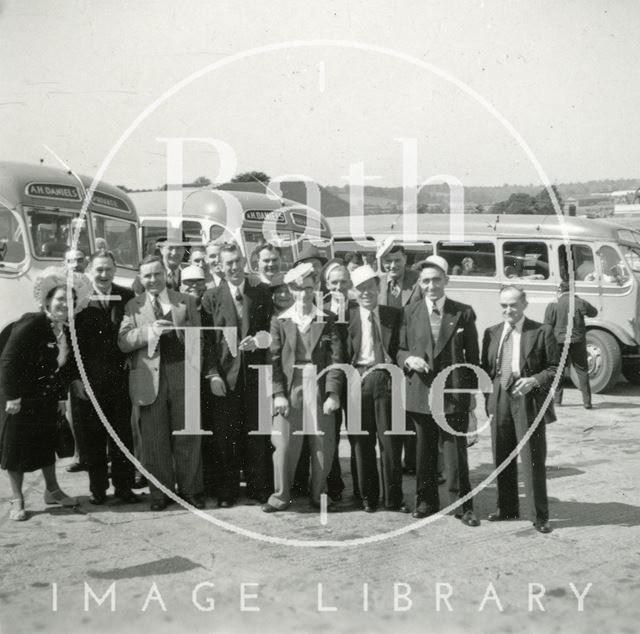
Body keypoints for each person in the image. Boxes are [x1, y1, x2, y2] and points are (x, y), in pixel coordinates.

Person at [0, 267, 91, 520]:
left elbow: (60, 367)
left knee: (46, 445)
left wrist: (62, 397)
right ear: (48, 301)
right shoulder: (32, 322)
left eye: (70, 301)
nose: (65, 304)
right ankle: (17, 499)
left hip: (46, 397)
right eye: (60, 299)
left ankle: (53, 491)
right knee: (15, 449)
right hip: (20, 398)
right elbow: (8, 360)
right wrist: (12, 397)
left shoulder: (64, 330)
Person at [397, 256, 480, 526]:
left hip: (453, 394)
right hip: (421, 393)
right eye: (425, 281)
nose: (431, 286)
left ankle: (463, 506)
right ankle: (426, 502)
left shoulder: (463, 312)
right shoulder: (410, 312)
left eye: (436, 280)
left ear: (446, 280)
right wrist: (408, 360)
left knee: (456, 454)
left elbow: (473, 360)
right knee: (424, 454)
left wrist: (469, 400)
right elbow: (399, 349)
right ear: (419, 284)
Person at [118, 255, 204, 511]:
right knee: (155, 441)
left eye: (157, 274)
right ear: (140, 279)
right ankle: (161, 494)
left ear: (165, 273)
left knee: (187, 437)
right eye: (147, 276)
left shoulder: (186, 301)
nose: (153, 280)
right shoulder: (133, 306)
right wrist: (149, 332)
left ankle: (191, 491)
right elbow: (123, 341)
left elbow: (198, 340)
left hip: (182, 375)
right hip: (148, 380)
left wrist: (195, 374)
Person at [262, 263, 343, 513]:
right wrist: (278, 394)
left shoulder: (327, 319)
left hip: (318, 385)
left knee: (322, 444)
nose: (304, 294)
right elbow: (272, 359)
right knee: (284, 445)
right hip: (291, 386)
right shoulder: (279, 320)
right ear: (290, 289)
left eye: (309, 288)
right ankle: (280, 496)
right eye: (298, 289)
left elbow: (335, 359)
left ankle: (319, 494)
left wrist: (332, 393)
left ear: (315, 288)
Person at [481, 285, 559, 534]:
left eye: (513, 304)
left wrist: (534, 380)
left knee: (532, 459)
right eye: (504, 305)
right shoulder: (491, 333)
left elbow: (555, 368)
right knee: (502, 456)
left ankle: (540, 516)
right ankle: (507, 509)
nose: (508, 310)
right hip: (500, 396)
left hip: (528, 398)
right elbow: (486, 370)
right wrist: (489, 400)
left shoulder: (541, 331)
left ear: (524, 304)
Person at [201, 242, 273, 507]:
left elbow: (271, 330)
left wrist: (260, 340)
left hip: (255, 377)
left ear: (244, 262)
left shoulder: (261, 292)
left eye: (236, 261)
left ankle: (258, 487)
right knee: (226, 437)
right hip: (225, 379)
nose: (233, 267)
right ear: (219, 266)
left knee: (256, 434)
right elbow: (207, 343)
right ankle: (227, 491)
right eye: (227, 263)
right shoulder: (211, 297)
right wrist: (213, 376)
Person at [72, 252, 139, 505]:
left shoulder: (126, 296)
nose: (103, 275)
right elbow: (71, 342)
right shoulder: (78, 298)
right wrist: (76, 379)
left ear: (114, 270)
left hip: (120, 379)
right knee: (93, 438)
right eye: (99, 269)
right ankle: (97, 489)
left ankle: (124, 487)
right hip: (89, 381)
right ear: (90, 271)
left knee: (123, 436)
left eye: (108, 269)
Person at [347, 265, 408, 513]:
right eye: (360, 289)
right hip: (359, 378)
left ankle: (394, 499)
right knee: (362, 443)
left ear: (378, 287)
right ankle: (368, 498)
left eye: (370, 287)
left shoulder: (394, 315)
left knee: (391, 442)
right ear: (354, 291)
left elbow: (402, 347)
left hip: (388, 378)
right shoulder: (347, 317)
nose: (366, 293)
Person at [378, 244, 422, 477]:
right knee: (396, 410)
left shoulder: (419, 281)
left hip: (413, 351)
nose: (392, 266)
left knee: (417, 409)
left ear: (405, 259)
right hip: (388, 355)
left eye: (396, 260)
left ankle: (422, 463)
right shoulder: (378, 283)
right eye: (387, 261)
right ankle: (399, 461)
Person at [544, 281, 598, 409]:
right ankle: (587, 402)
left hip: (559, 341)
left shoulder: (553, 303)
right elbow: (594, 313)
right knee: (582, 370)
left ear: (560, 290)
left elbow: (547, 324)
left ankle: (557, 401)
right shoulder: (579, 302)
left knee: (558, 370)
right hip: (577, 340)